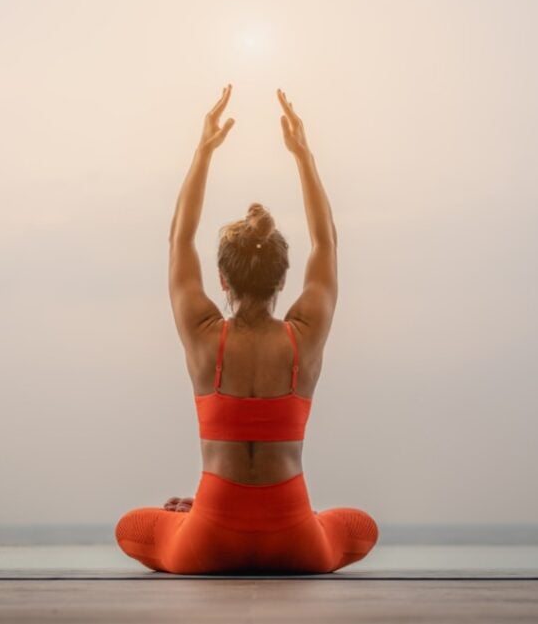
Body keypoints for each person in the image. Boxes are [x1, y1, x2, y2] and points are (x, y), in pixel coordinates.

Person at [115, 85, 378, 574]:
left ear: (221, 279)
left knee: (130, 527)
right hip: (297, 541)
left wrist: (204, 150)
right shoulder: (305, 334)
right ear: (283, 279)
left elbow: (180, 237)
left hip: (207, 542)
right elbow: (327, 241)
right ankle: (305, 521)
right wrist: (302, 154)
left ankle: (196, 512)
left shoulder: (202, 332)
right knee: (362, 527)